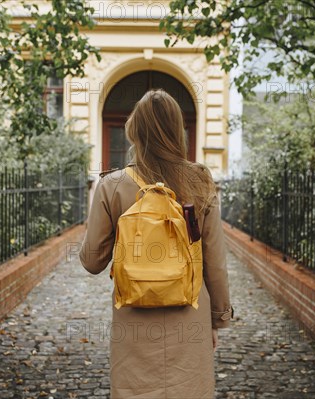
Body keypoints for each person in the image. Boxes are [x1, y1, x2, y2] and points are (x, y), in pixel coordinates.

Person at [79, 88, 233, 398]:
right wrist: (217, 320)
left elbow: (92, 261)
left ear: (134, 131)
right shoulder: (201, 181)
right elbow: (215, 262)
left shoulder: (112, 184)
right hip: (189, 317)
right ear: (179, 131)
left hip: (134, 321)